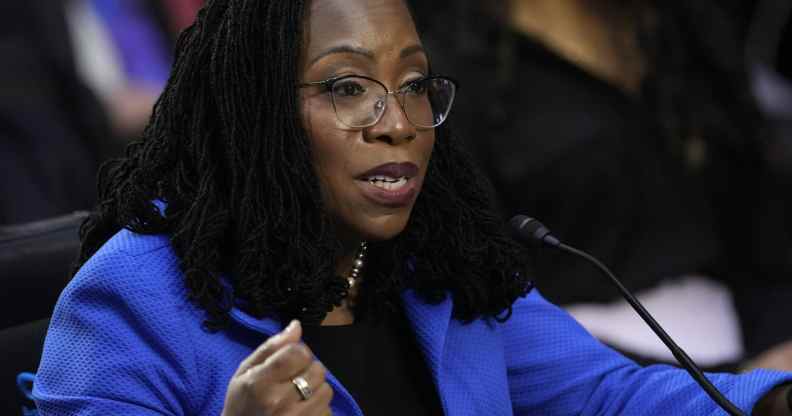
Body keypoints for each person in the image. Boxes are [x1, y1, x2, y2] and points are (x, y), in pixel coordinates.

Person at [33, 0, 792, 414]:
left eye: (415, 82)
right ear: (255, 112)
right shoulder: (131, 301)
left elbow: (613, 394)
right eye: (346, 86)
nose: (398, 120)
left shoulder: (439, 272)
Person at [412, 0, 792, 372]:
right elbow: (474, 290)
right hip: (582, 368)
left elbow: (762, 229)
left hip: (743, 345)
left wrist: (772, 353)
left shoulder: (690, 33)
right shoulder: (459, 64)